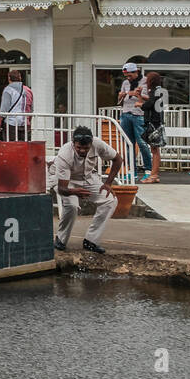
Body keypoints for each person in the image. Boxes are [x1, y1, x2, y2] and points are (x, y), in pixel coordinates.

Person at [52, 125, 122, 254]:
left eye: (86, 148)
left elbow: (117, 159)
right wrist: (74, 192)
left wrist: (108, 184)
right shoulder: (64, 154)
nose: (83, 150)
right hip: (68, 182)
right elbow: (62, 189)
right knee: (72, 206)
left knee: (109, 200)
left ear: (91, 143)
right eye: (79, 147)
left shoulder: (98, 143)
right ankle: (61, 239)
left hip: (89, 178)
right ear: (73, 143)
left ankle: (91, 241)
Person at [117, 62, 152, 180]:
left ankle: (148, 170)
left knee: (142, 143)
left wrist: (138, 94)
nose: (128, 78)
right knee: (128, 144)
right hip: (126, 113)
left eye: (129, 75)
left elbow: (149, 98)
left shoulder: (145, 81)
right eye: (126, 75)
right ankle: (132, 171)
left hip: (139, 114)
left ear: (135, 72)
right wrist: (121, 95)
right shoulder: (125, 83)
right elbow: (120, 101)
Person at [140, 71, 167, 183]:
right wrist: (140, 96)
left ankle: (154, 175)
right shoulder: (159, 91)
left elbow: (148, 105)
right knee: (155, 150)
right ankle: (154, 175)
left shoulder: (155, 91)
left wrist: (139, 104)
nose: (146, 82)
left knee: (155, 150)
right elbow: (152, 102)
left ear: (151, 81)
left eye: (147, 80)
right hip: (157, 122)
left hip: (154, 123)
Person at [0, 69, 31, 140]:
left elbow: (4, 109)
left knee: (11, 146)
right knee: (23, 146)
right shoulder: (27, 90)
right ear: (20, 78)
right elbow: (30, 109)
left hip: (11, 123)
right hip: (24, 123)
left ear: (9, 78)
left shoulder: (8, 90)